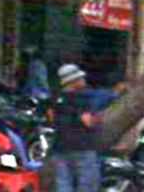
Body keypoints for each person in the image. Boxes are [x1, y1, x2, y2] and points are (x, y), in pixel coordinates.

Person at [50, 63, 118, 192]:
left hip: (60, 147)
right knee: (87, 185)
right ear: (73, 81)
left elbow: (53, 119)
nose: (84, 80)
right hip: (82, 147)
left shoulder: (57, 99)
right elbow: (88, 122)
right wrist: (98, 118)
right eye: (80, 78)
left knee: (63, 185)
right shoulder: (81, 99)